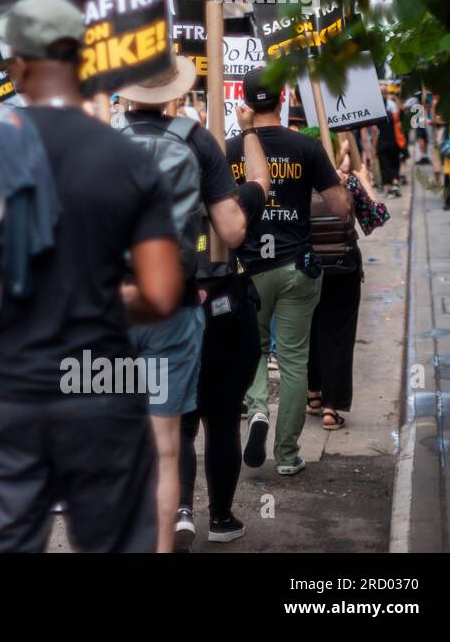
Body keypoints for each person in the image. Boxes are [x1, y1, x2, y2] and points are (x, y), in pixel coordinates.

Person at [0, 0, 183, 553]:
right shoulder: (129, 159)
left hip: (4, 388)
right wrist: (92, 295)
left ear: (16, 65)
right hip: (101, 386)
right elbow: (163, 294)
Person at [118, 58, 270, 551]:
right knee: (173, 438)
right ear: (173, 95)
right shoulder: (196, 139)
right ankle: (185, 526)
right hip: (174, 304)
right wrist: (250, 195)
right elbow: (230, 230)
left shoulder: (98, 140)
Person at [227, 67, 352, 477]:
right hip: (298, 265)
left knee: (254, 350)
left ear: (243, 102)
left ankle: (258, 408)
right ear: (283, 97)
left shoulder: (229, 150)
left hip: (249, 269)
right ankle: (286, 454)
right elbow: (340, 209)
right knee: (295, 360)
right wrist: (341, 178)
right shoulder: (307, 147)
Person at [307, 138, 388, 432]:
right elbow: (376, 219)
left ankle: (313, 393)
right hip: (343, 266)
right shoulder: (347, 184)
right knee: (338, 334)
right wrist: (365, 181)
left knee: (311, 329)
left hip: (308, 266)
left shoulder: (297, 182)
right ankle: (331, 407)